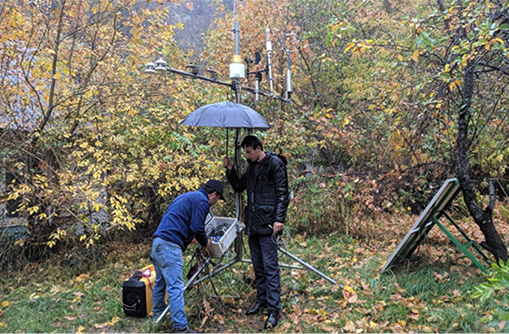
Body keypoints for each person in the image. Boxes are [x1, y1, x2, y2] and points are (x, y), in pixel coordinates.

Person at [223, 135, 289, 329]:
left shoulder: (275, 164)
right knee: (258, 266)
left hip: (269, 223)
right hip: (253, 223)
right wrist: (229, 170)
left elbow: (282, 193)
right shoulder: (251, 168)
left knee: (270, 267)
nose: (247, 156)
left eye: (249, 152)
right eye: (245, 153)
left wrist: (279, 219)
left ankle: (274, 309)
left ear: (259, 149)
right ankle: (261, 301)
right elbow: (238, 186)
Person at [150, 179, 225, 334]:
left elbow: (180, 221)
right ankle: (181, 328)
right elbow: (197, 228)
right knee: (176, 287)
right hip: (170, 246)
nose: (215, 202)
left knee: (160, 283)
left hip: (158, 243)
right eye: (218, 199)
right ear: (214, 194)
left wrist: (188, 237)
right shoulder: (202, 201)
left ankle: (158, 318)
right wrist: (206, 243)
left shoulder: (188, 196)